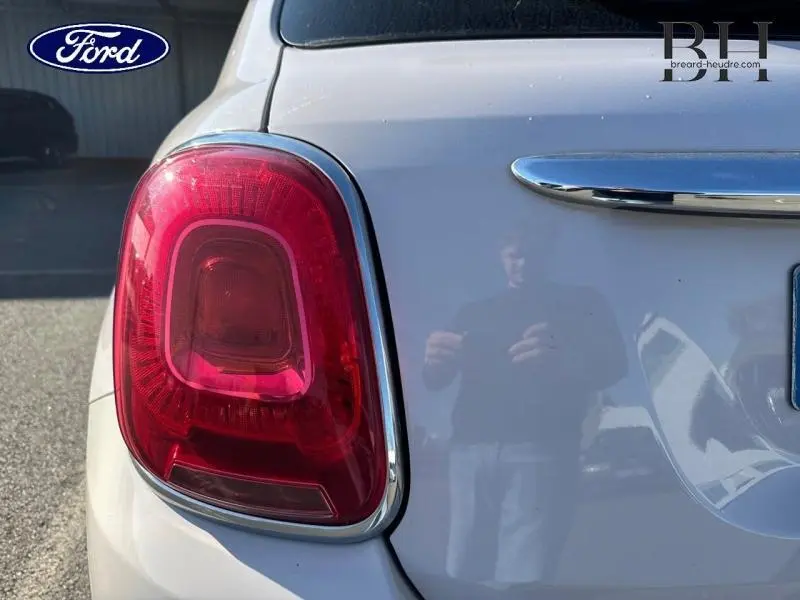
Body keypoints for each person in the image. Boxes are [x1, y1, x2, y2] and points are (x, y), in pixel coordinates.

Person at [423, 225, 627, 590]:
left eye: (532, 253)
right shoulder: (474, 312)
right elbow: (435, 380)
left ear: (549, 254)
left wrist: (565, 360)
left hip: (541, 449)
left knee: (524, 576)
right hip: (469, 449)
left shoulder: (582, 305)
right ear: (501, 258)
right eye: (514, 254)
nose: (523, 263)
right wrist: (435, 362)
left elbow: (614, 365)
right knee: (463, 571)